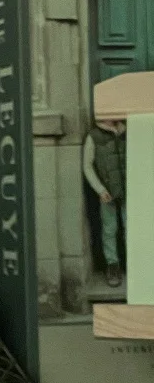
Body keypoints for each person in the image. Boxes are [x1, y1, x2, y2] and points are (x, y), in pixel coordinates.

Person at [83, 118, 127, 286]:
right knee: (109, 228)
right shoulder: (94, 136)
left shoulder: (126, 131)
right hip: (107, 191)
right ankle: (112, 265)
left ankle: (134, 261)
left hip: (128, 189)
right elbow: (87, 166)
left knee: (131, 227)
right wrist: (100, 189)